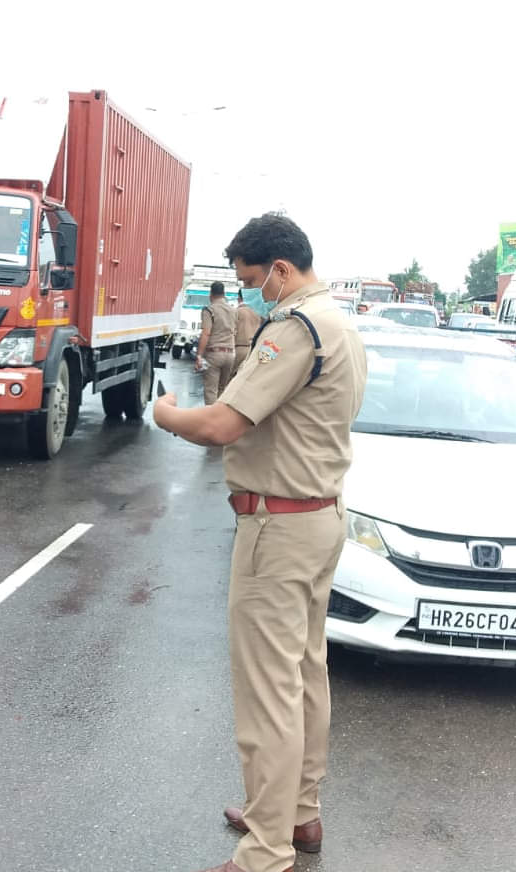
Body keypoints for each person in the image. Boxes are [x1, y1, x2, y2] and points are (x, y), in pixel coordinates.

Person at [154, 213, 367, 872]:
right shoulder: (339, 322)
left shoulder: (297, 328)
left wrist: (163, 412)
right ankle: (295, 813)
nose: (250, 293)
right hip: (318, 516)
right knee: (304, 675)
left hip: (278, 527)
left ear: (279, 268)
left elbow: (219, 423)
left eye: (251, 281)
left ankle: (265, 849)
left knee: (268, 690)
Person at [197, 281, 237, 403]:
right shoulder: (233, 310)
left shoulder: (209, 310)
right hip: (230, 354)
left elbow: (206, 333)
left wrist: (199, 355)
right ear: (224, 294)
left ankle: (210, 421)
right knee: (223, 391)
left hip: (214, 355)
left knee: (211, 391)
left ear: (211, 294)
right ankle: (221, 420)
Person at [233, 292, 263, 370]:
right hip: (254, 350)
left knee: (233, 378)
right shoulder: (258, 312)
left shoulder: (237, 312)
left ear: (239, 298)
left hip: (239, 349)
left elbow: (232, 331)